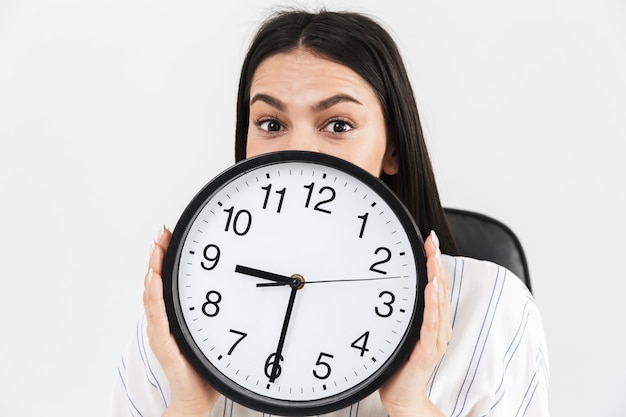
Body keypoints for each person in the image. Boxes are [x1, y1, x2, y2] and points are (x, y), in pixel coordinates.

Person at [111, 9, 550, 417]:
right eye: (270, 124)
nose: (298, 152)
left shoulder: (489, 306)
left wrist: (410, 402)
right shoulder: (184, 308)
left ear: (392, 149)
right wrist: (188, 402)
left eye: (338, 125)